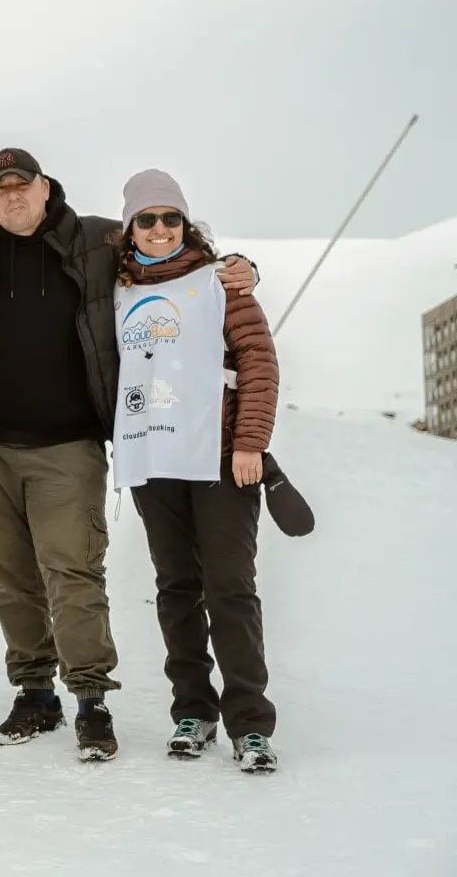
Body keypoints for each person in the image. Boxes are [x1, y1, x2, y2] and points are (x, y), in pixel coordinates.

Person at [0, 147, 257, 762]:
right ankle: (35, 693)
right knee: (9, 576)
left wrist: (237, 266)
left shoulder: (95, 240)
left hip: (69, 444)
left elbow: (171, 257)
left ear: (45, 186)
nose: (13, 198)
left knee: (73, 571)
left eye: (22, 186)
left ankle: (90, 699)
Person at [113, 169, 283, 773]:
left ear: (187, 224)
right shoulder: (117, 289)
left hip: (218, 459)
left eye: (171, 218)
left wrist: (250, 443)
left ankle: (249, 724)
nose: (160, 229)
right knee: (177, 588)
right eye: (147, 219)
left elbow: (259, 365)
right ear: (129, 226)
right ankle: (193, 710)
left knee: (230, 588)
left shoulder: (223, 286)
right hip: (152, 458)